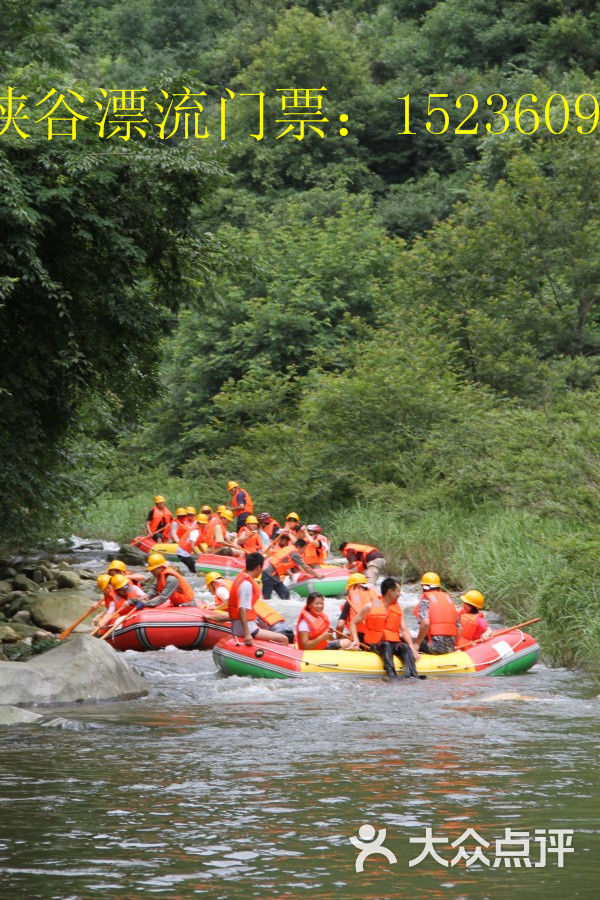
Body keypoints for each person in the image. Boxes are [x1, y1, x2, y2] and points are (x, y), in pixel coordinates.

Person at [352, 577, 421, 681]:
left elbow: (404, 629)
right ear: (390, 592)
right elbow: (353, 622)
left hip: (392, 642)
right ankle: (392, 676)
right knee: (386, 645)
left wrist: (412, 647)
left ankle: (412, 676)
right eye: (398, 591)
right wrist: (356, 640)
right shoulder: (370, 606)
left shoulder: (397, 608)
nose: (399, 594)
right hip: (374, 643)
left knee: (405, 647)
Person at [203, 570, 294, 641]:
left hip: (272, 628)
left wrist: (214, 610)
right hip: (281, 624)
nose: (210, 591)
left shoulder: (220, 589)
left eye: (209, 588)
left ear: (213, 583)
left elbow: (229, 605)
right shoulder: (234, 586)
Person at [228, 552, 289, 646]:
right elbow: (242, 609)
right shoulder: (246, 584)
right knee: (283, 639)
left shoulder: (241, 578)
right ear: (258, 567)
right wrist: (247, 634)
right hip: (247, 628)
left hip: (242, 625)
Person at [262, 535, 319, 601]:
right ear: (299, 547)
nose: (303, 551)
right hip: (269, 576)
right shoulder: (295, 553)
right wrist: (318, 575)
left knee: (285, 594)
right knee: (267, 599)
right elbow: (306, 567)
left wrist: (290, 573)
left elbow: (280, 564)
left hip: (274, 576)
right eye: (303, 549)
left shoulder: (288, 548)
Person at [414, 572, 459, 655]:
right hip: (451, 647)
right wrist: (454, 645)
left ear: (424, 587)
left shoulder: (425, 601)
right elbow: (460, 628)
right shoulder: (449, 600)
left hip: (434, 647)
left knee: (407, 640)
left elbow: (425, 623)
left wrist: (417, 644)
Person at [335, 573, 379, 645]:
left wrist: (338, 638)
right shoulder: (375, 598)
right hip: (376, 637)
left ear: (352, 586)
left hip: (358, 638)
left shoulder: (350, 601)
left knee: (333, 641)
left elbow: (340, 624)